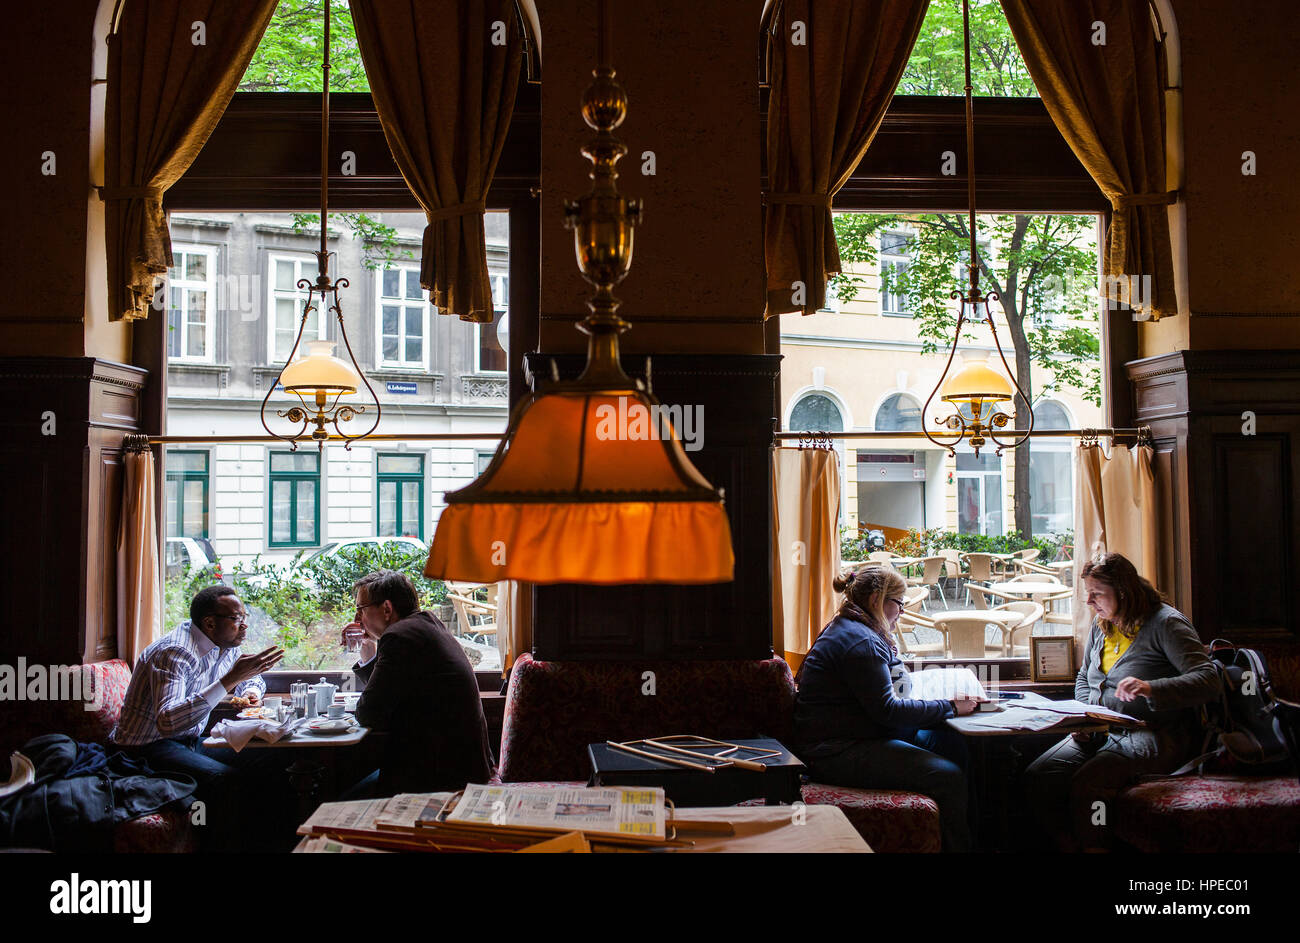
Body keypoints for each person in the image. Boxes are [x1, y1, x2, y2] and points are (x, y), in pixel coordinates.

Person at [1024, 552, 1220, 851]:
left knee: (1089, 785)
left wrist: (1151, 688)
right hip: (1103, 730)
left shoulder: (1166, 624)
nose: (1089, 602)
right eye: (1087, 593)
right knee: (1039, 776)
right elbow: (1083, 678)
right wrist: (1085, 717)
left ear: (1124, 592)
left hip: (1155, 733)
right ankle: (1069, 845)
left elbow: (1209, 680)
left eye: (1096, 594)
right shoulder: (1103, 624)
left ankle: (1097, 847)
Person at [792, 566, 980, 851]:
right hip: (837, 751)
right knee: (948, 777)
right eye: (899, 603)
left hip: (861, 734)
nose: (902, 611)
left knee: (953, 744)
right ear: (877, 600)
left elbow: (893, 688)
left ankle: (955, 838)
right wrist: (951, 706)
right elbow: (889, 711)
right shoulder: (861, 642)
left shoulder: (854, 627)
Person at [110, 585, 285, 849]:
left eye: (244, 618)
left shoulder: (224, 646)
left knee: (271, 758)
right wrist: (228, 681)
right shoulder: (174, 653)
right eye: (237, 619)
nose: (245, 626)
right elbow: (167, 722)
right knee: (225, 781)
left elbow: (250, 677)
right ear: (210, 622)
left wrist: (249, 689)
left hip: (187, 741)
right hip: (143, 749)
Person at [341, 570, 494, 797]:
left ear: (386, 608)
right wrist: (368, 653)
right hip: (466, 766)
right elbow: (393, 690)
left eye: (361, 609)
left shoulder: (399, 638)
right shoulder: (427, 624)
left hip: (439, 777)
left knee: (341, 798)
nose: (357, 619)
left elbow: (369, 713)